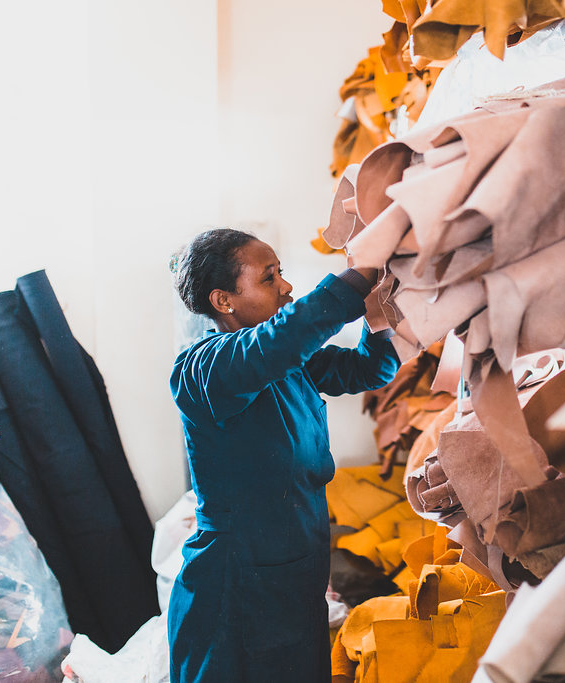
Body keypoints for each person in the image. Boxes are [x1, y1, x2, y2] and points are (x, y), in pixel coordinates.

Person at [166, 228, 400, 682]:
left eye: (281, 274)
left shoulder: (287, 361)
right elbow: (281, 341)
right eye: (269, 278)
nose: (286, 287)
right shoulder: (203, 369)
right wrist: (361, 271)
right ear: (223, 300)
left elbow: (371, 368)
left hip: (295, 570)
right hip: (235, 584)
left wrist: (380, 310)